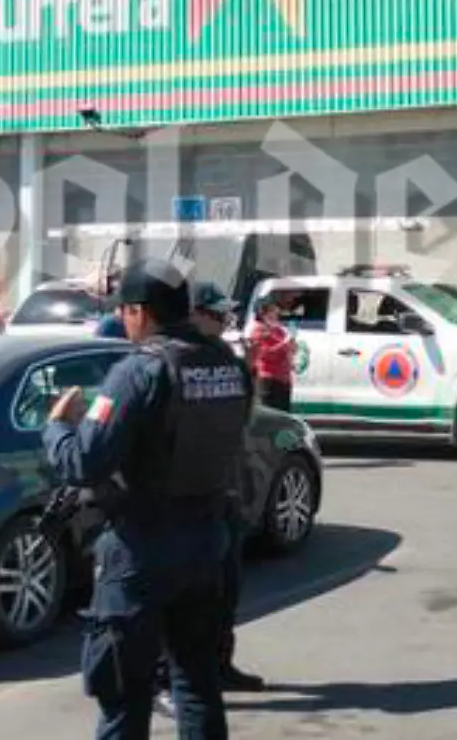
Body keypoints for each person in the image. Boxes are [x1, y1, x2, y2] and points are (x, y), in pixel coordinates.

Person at [44, 259, 252, 740]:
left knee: (124, 691)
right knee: (197, 682)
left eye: (125, 310)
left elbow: (82, 462)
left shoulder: (140, 371)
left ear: (139, 311)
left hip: (143, 548)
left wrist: (57, 426)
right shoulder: (229, 365)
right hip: (206, 542)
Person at [153, 282, 267, 717]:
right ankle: (164, 678)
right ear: (193, 314)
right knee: (178, 597)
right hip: (178, 500)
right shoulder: (166, 359)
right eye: (216, 314)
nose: (224, 322)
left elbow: (244, 419)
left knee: (224, 590)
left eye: (226, 315)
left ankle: (218, 663)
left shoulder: (223, 359)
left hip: (222, 492)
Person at [246, 296, 295, 413]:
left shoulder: (279, 330)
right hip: (269, 380)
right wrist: (285, 343)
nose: (277, 313)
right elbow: (266, 354)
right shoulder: (258, 331)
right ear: (263, 313)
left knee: (283, 416)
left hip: (284, 379)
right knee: (269, 414)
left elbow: (290, 349)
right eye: (273, 310)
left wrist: (292, 344)